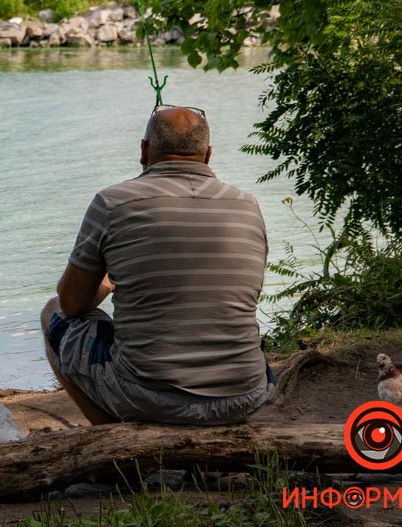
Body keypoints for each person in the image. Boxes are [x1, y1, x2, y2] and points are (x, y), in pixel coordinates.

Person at [41, 105, 275, 425]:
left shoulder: (113, 202)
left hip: (148, 397)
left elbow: (71, 304)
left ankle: (113, 439)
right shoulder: (248, 206)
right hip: (246, 394)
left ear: (144, 150)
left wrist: (109, 282)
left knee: (51, 313)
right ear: (207, 155)